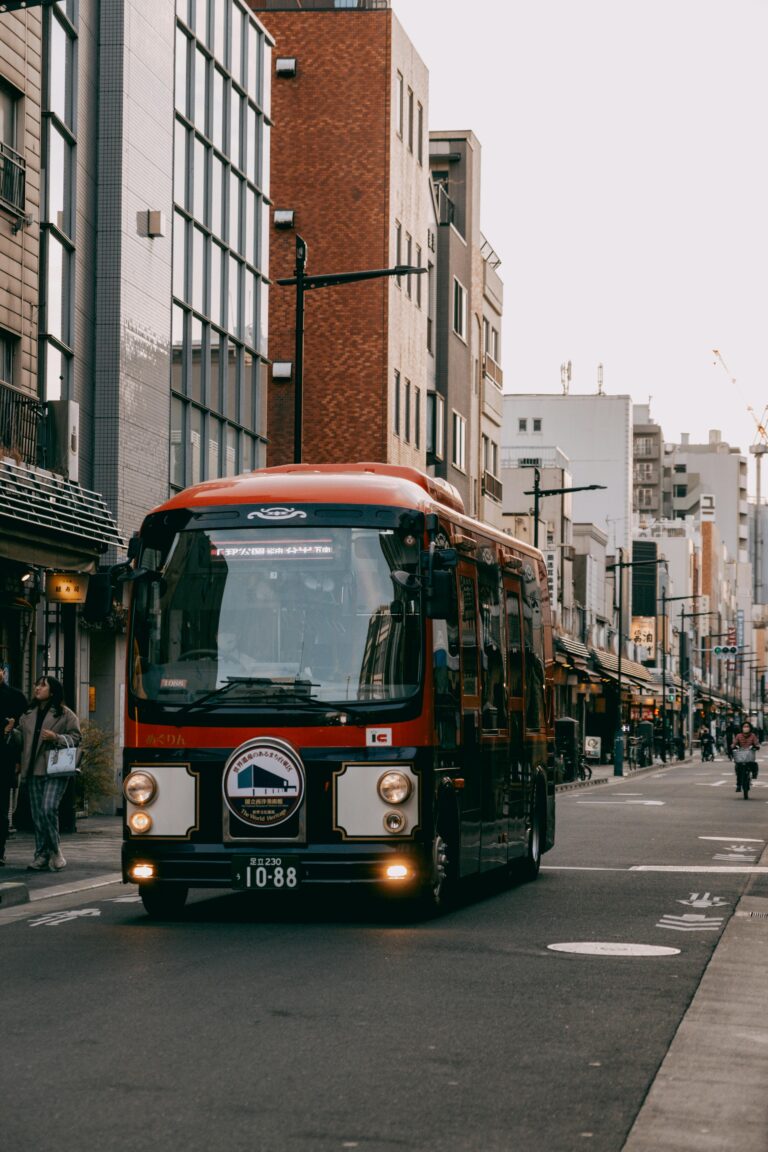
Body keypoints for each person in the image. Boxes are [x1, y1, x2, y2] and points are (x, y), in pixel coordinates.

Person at [18, 676, 81, 871]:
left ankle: (55, 850)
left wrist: (57, 737)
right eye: (37, 684)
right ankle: (42, 855)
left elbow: (76, 737)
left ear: (52, 691)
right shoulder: (27, 714)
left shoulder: (65, 714)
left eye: (42, 685)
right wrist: (11, 733)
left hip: (56, 768)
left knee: (48, 808)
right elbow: (22, 740)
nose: (37, 688)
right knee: (38, 815)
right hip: (33, 768)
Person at [0, 667, 27, 865]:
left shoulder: (16, 697)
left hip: (5, 758)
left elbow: (22, 732)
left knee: (1, 807)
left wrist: (19, 760)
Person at [731, 720, 759, 792]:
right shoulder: (738, 735)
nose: (746, 728)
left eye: (747, 726)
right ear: (742, 728)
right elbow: (734, 743)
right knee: (738, 767)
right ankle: (738, 785)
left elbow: (756, 743)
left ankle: (754, 775)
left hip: (749, 755)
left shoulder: (753, 735)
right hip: (741, 755)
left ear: (750, 728)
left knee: (754, 765)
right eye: (744, 726)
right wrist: (733, 746)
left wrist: (756, 747)